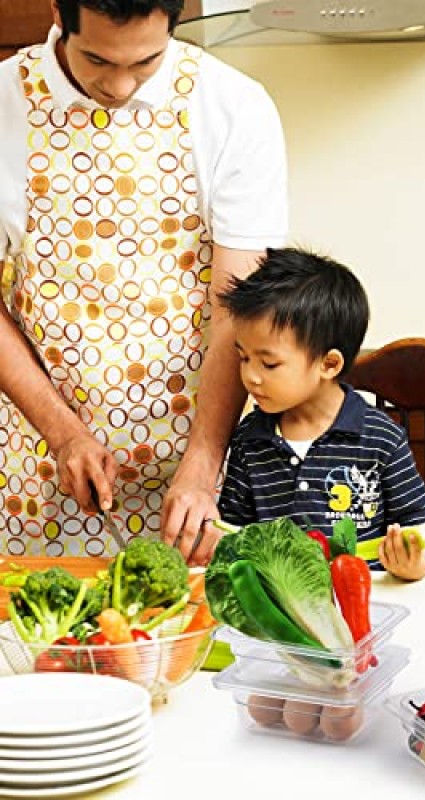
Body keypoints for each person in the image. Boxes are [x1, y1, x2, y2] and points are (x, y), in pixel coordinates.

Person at [0, 0, 288, 563]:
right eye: (98, 60)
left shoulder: (233, 106)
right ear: (59, 13)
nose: (121, 84)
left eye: (147, 60)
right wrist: (63, 434)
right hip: (39, 465)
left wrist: (204, 464)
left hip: (195, 461)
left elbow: (239, 307)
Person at [214, 246, 425, 581]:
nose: (250, 375)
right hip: (280, 612)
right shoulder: (250, 440)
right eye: (244, 358)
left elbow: (421, 529)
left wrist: (413, 564)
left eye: (269, 363)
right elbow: (233, 532)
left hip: (371, 606)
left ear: (329, 363)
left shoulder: (380, 437)